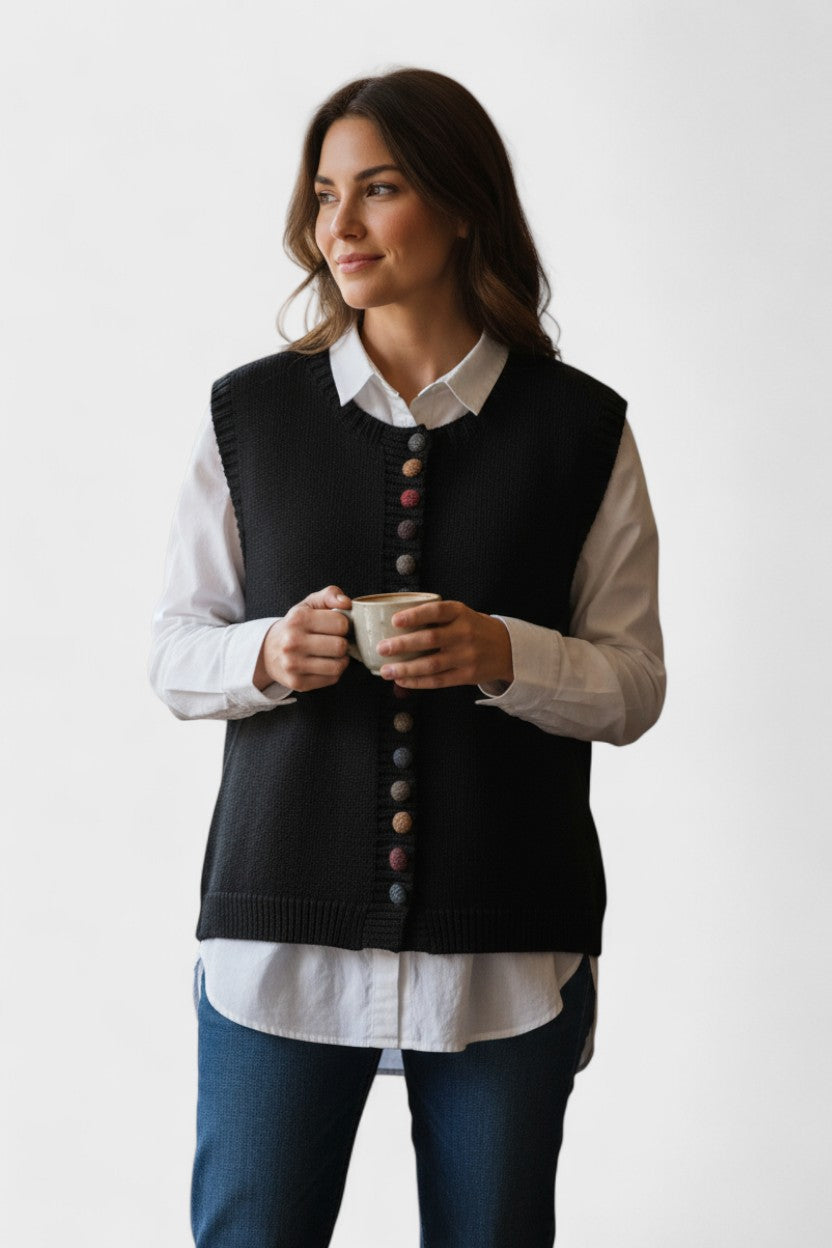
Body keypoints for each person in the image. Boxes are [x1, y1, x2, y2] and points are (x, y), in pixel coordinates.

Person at [148, 66, 666, 1248]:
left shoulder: (582, 429)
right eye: (325, 193)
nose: (338, 224)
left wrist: (504, 653)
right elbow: (174, 651)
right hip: (277, 935)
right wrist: (272, 653)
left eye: (377, 189)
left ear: (462, 203)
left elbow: (634, 684)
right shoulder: (247, 417)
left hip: (508, 940)